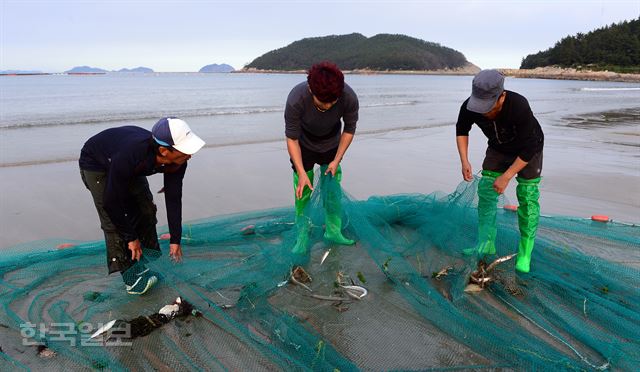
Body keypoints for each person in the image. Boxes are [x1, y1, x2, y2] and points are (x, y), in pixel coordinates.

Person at [79, 117, 205, 294]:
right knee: (115, 221)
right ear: (164, 150)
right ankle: (131, 280)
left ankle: (146, 264)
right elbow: (111, 202)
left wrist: (175, 239)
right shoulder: (131, 156)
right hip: (97, 163)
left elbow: (174, 197)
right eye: (185, 151)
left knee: (145, 209)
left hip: (128, 164)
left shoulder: (179, 160)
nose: (189, 155)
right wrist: (131, 238)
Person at [455, 69, 544, 273]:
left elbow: (530, 147)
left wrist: (507, 176)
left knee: (527, 197)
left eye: (488, 107)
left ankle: (524, 253)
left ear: (501, 95)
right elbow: (462, 129)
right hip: (498, 147)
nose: (484, 112)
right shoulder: (469, 106)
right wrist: (464, 160)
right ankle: (486, 243)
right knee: (486, 191)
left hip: (529, 149)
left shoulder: (519, 105)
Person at [285, 61, 359, 254]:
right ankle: (302, 236)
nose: (327, 106)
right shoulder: (296, 98)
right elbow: (291, 138)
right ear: (311, 89)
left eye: (332, 102)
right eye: (322, 102)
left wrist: (336, 160)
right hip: (303, 144)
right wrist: (301, 172)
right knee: (302, 191)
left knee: (332, 191)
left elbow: (349, 130)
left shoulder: (348, 97)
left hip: (332, 143)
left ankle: (333, 232)